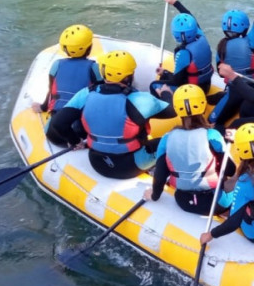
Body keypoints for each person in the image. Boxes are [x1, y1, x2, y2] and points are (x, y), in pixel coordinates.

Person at [48, 50, 176, 179]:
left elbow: (57, 124)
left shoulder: (85, 94)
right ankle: (164, 173)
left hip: (97, 163)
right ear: (128, 77)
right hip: (130, 166)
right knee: (172, 141)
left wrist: (75, 141)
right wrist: (166, 93)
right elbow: (172, 111)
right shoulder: (141, 100)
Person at [143, 84, 235, 215]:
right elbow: (231, 170)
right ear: (203, 106)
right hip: (217, 203)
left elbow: (160, 174)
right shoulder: (212, 135)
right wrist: (229, 143)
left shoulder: (167, 139)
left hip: (183, 201)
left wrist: (154, 195)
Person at [208, 0, 254, 130]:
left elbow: (222, 74)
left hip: (234, 91)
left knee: (212, 120)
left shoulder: (221, 47)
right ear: (244, 27)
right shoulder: (251, 41)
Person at [32, 24, 103, 146]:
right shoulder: (94, 68)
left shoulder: (57, 65)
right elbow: (102, 95)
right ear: (89, 47)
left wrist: (43, 108)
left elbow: (51, 92)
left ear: (65, 49)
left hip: (55, 133)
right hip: (82, 131)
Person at [150, 0, 214, 96]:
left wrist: (165, 73)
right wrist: (175, 2)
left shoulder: (183, 53)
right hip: (206, 85)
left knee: (154, 85)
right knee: (165, 76)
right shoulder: (201, 37)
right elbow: (190, 16)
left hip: (193, 92)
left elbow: (177, 81)